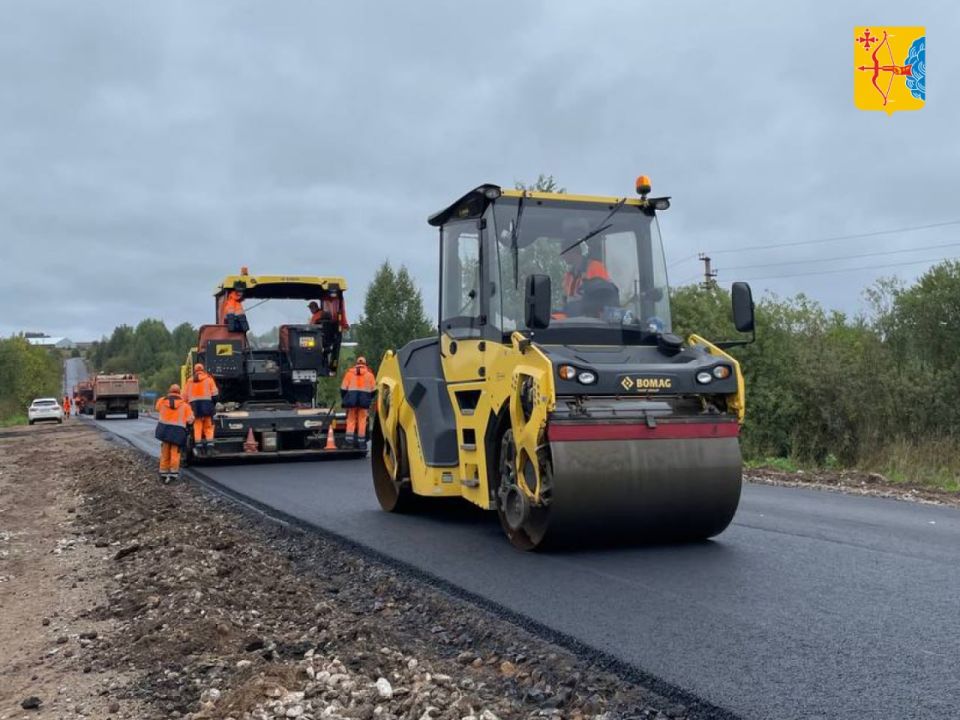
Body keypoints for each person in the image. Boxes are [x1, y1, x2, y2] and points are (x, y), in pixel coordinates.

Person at [154, 384, 194, 483]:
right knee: (175, 453)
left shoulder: (162, 401)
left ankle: (163, 472)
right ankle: (173, 474)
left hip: (164, 431)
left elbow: (157, 407)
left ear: (169, 391)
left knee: (165, 452)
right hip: (178, 433)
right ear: (179, 392)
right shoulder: (185, 405)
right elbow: (190, 420)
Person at [340, 356, 376, 449]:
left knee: (351, 420)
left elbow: (343, 389)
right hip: (364, 403)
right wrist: (368, 398)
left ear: (356, 364)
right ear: (365, 364)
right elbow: (374, 391)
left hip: (351, 402)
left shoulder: (349, 374)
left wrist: (345, 398)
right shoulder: (370, 375)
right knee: (362, 421)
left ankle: (349, 442)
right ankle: (361, 443)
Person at [183, 362, 219, 452]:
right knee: (209, 426)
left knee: (197, 426)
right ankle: (210, 447)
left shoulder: (189, 381)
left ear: (194, 371)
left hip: (194, 408)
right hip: (207, 407)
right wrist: (213, 404)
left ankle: (198, 447)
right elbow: (215, 395)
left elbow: (184, 397)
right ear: (203, 370)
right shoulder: (209, 379)